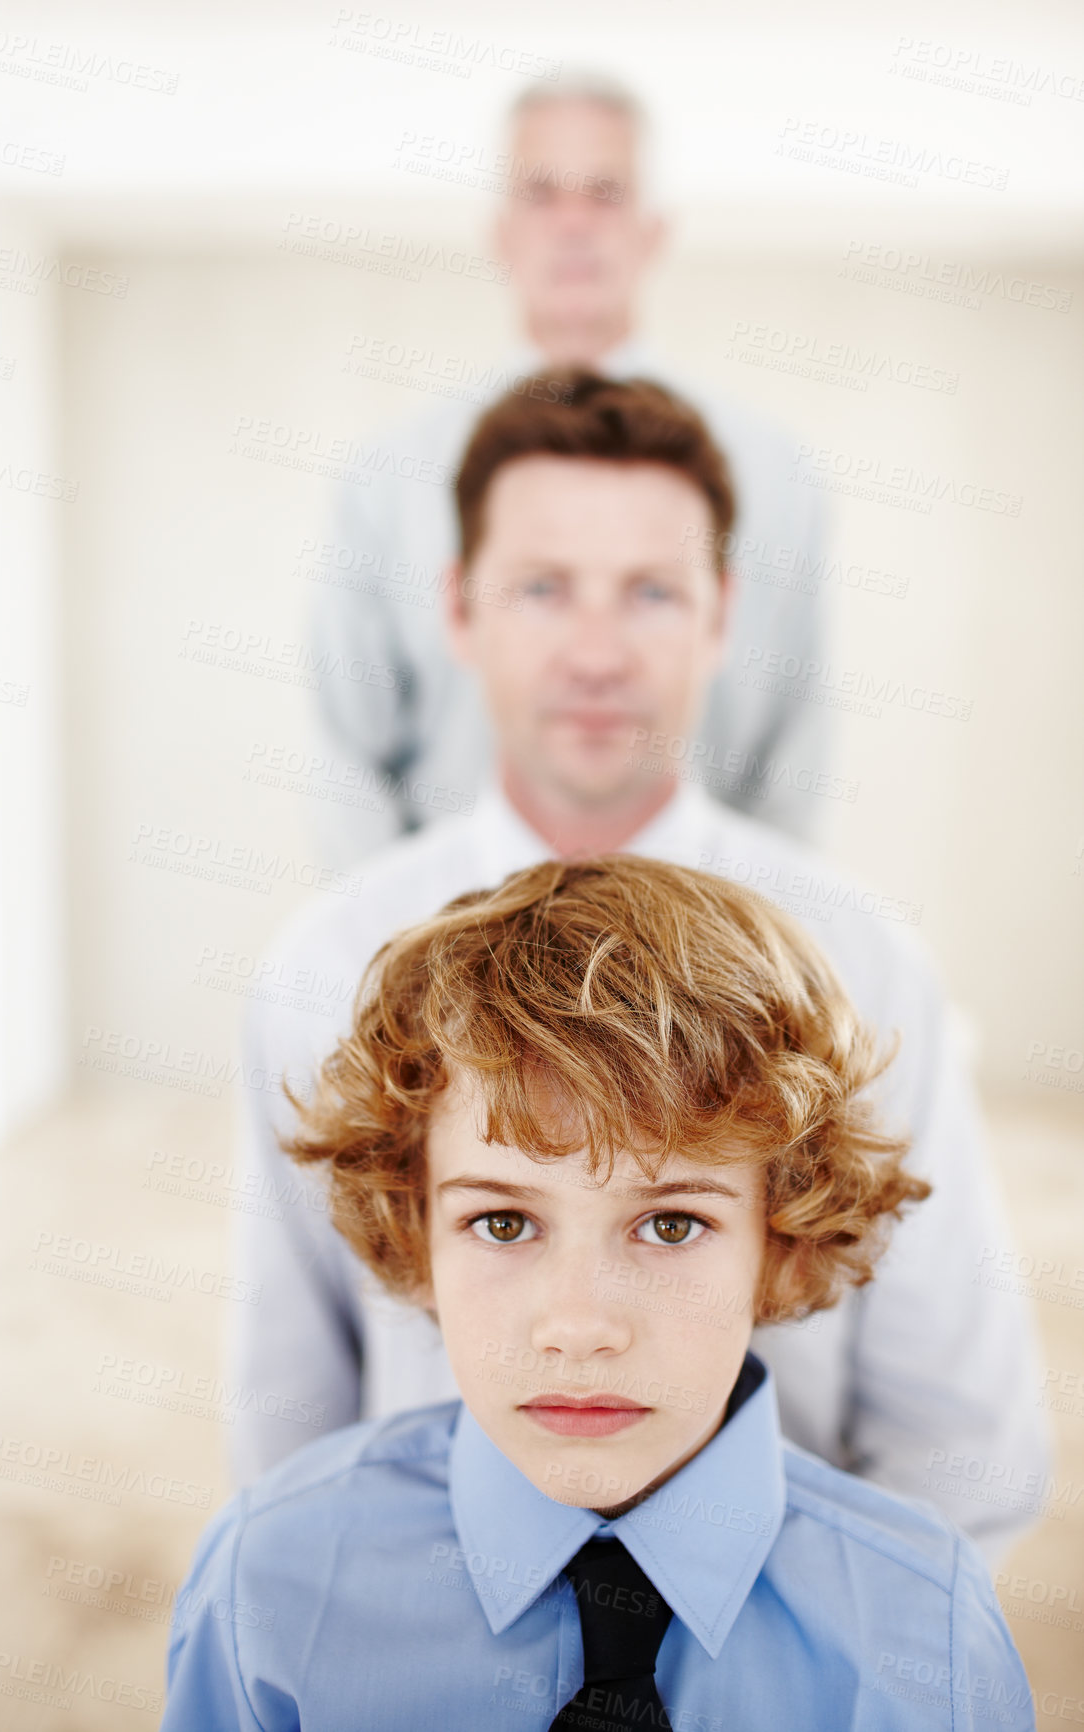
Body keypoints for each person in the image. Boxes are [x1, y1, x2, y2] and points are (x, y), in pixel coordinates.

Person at [229, 372, 1048, 1562]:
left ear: (720, 615)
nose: (597, 651)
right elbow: (286, 1397)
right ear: (458, 609)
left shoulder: (865, 964)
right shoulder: (323, 965)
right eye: (544, 587)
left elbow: (960, 1436)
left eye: (650, 592)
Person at [168, 858, 1033, 1731]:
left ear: (784, 1247)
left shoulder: (930, 1633)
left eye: (669, 1225)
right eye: (504, 1223)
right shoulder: (267, 1586)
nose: (579, 1327)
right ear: (413, 1231)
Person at [313, 74, 831, 852]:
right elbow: (347, 754)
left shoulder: (773, 474)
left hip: (693, 949)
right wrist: (401, 951)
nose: (575, 226)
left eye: (605, 193)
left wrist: (742, 955)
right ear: (501, 231)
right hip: (453, 944)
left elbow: (791, 753)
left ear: (654, 231)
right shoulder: (387, 479)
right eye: (543, 194)